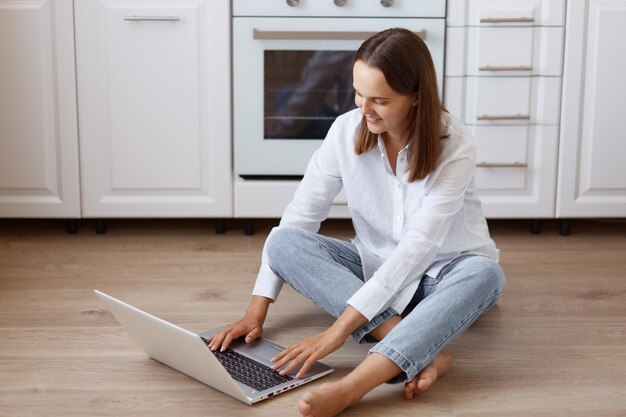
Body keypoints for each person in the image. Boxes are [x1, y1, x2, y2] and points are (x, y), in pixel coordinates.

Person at [208, 28, 505, 417]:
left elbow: (419, 250)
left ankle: (353, 387)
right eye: (358, 93)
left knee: (486, 275)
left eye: (380, 100)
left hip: (443, 273)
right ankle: (421, 349)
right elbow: (301, 216)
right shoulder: (346, 130)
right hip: (374, 265)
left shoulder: (455, 145)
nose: (364, 110)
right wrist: (255, 311)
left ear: (416, 96)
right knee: (284, 241)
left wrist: (338, 332)